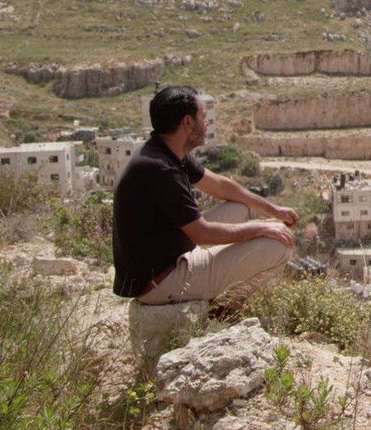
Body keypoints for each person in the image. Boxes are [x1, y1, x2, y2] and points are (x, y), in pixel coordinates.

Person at [112, 84, 298, 305]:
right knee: (279, 246)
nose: (207, 121)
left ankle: (220, 288)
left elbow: (220, 185)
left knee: (243, 207)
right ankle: (226, 308)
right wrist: (262, 228)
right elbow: (202, 233)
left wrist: (273, 210)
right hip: (163, 282)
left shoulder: (166, 151)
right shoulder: (160, 169)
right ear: (187, 122)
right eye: (203, 116)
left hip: (171, 254)